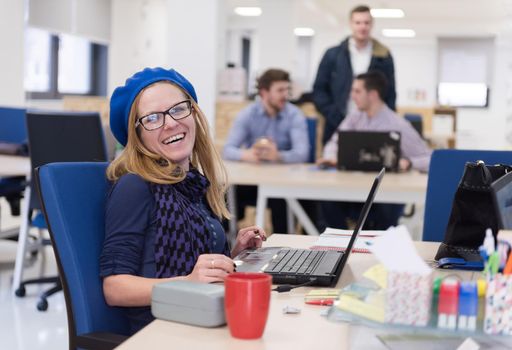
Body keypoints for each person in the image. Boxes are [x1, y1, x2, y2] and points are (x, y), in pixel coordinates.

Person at [99, 67, 267, 334]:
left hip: (202, 316)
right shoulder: (135, 185)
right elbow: (115, 288)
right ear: (138, 135)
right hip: (162, 331)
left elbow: (194, 263)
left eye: (177, 109)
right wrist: (188, 281)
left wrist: (234, 255)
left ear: (193, 114)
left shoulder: (192, 183)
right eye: (153, 118)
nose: (170, 123)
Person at [318, 72, 431, 230]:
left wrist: (409, 162)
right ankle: (341, 245)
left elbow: (430, 158)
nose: (352, 96)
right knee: (326, 199)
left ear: (372, 95)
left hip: (384, 195)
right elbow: (334, 142)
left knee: (384, 211)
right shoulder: (355, 117)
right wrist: (331, 156)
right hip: (353, 190)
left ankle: (370, 249)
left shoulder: (398, 124)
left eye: (357, 91)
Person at [223, 68, 310, 233]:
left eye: (287, 89)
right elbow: (228, 149)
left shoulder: (294, 115)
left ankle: (285, 248)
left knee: (283, 202)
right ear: (264, 92)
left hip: (284, 183)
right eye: (280, 90)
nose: (286, 95)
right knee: (224, 194)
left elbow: (302, 152)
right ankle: (229, 242)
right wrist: (246, 155)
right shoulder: (247, 115)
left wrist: (278, 156)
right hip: (252, 182)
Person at [313, 4, 396, 145]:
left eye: (366, 22)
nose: (362, 27)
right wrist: (333, 114)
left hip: (373, 126)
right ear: (351, 24)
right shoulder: (333, 55)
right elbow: (319, 90)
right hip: (336, 124)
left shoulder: (383, 55)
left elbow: (390, 93)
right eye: (358, 22)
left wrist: (385, 121)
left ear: (372, 25)